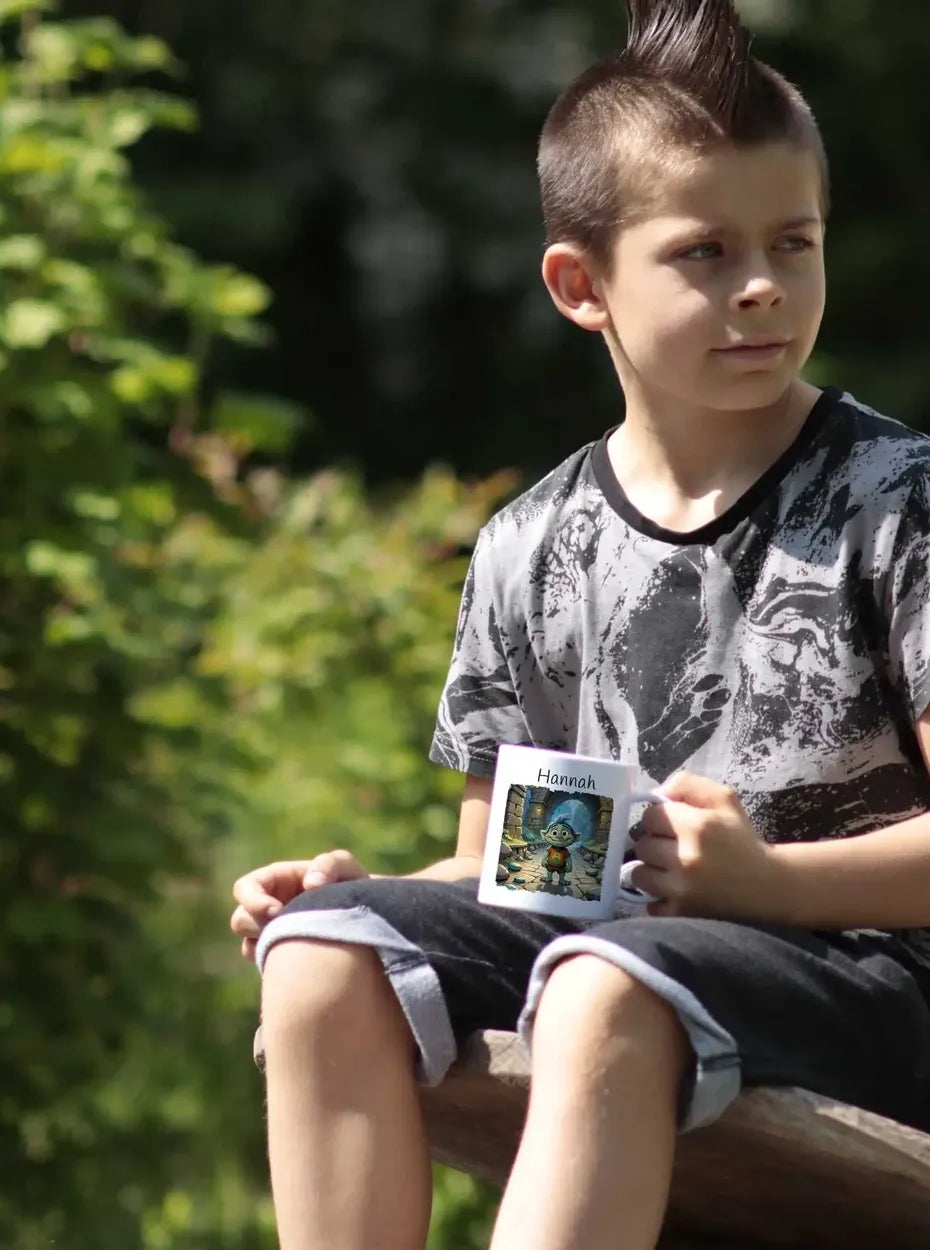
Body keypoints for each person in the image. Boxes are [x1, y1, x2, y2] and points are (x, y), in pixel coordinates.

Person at [229, 1, 930, 1247]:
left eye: (793, 242)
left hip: (877, 985)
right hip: (621, 959)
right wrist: (376, 887)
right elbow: (519, 868)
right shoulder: (527, 543)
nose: (761, 284)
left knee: (602, 981)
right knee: (321, 950)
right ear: (579, 284)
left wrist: (767, 884)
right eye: (702, 252)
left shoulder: (901, 501)